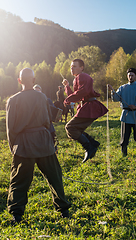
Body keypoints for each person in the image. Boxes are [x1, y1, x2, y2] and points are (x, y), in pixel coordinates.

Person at [6, 68, 71, 224]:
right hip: (43, 142)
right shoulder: (42, 97)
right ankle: (64, 211)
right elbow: (48, 121)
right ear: (33, 81)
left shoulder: (12, 100)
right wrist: (52, 141)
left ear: (19, 80)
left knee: (19, 180)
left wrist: (12, 148)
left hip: (23, 144)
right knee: (55, 177)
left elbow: (10, 129)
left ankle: (17, 215)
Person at [62, 59, 108, 163]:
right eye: (71, 66)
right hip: (87, 106)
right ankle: (93, 143)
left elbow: (83, 92)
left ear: (81, 68)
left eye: (74, 66)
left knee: (70, 127)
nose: (71, 68)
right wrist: (67, 87)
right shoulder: (77, 79)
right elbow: (77, 95)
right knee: (74, 129)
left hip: (90, 106)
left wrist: (68, 99)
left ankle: (89, 147)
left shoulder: (82, 76)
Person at [108, 68, 136, 157]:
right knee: (124, 137)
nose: (130, 77)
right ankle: (124, 154)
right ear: (127, 76)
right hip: (125, 116)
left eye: (132, 75)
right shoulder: (122, 88)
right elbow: (116, 99)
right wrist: (112, 91)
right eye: (129, 75)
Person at [33, 84, 58, 152]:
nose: (38, 93)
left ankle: (55, 150)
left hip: (48, 124)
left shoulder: (48, 100)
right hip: (37, 125)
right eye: (36, 92)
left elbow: (54, 112)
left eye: (39, 91)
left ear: (41, 91)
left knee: (52, 139)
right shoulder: (32, 102)